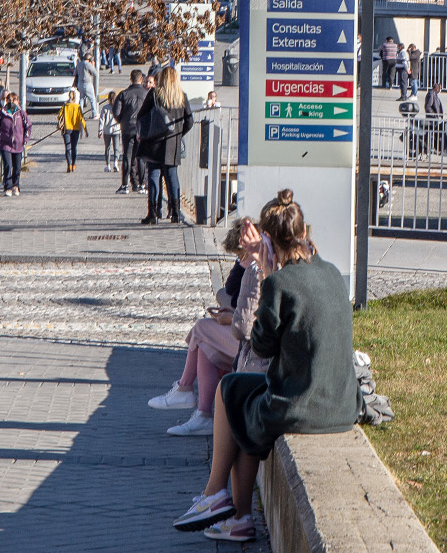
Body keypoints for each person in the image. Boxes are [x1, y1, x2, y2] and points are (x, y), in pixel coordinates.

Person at [171, 190, 355, 542]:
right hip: (342, 402)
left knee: (232, 393)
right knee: (242, 396)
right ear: (303, 234)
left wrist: (264, 271)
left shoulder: (280, 283)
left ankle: (217, 497)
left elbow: (259, 342)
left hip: (304, 404)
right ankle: (227, 509)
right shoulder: (330, 272)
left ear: (268, 240)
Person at [151, 216, 265, 436]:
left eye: (240, 254)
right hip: (252, 339)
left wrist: (231, 314)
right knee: (205, 347)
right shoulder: (254, 263)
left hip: (257, 349)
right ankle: (202, 415)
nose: (240, 258)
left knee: (202, 328)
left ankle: (185, 389)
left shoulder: (258, 266)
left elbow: (235, 299)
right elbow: (230, 296)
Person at [138, 67, 195, 225]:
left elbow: (141, 115)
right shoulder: (181, 97)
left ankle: (153, 213)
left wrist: (145, 133)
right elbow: (190, 122)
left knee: (154, 175)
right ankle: (176, 213)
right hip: (173, 143)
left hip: (154, 142)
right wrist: (178, 134)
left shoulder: (155, 94)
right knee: (172, 176)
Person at [114, 70, 150, 196]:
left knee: (127, 156)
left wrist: (122, 121)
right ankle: (142, 185)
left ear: (131, 79)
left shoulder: (123, 94)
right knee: (141, 157)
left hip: (127, 128)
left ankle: (124, 185)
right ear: (141, 79)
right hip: (142, 129)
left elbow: (116, 112)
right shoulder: (147, 94)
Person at [0, 96, 30, 195]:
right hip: (5, 144)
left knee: (17, 166)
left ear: (18, 101)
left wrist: (25, 139)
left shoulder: (21, 113)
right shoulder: (2, 113)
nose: (11, 102)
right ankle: (7, 187)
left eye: (14, 99)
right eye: (9, 99)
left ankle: (15, 186)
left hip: (18, 144)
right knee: (8, 165)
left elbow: (28, 126)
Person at [57, 92, 86, 172]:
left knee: (67, 147)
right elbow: (81, 119)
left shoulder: (65, 106)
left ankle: (68, 164)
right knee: (74, 147)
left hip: (66, 128)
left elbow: (59, 116)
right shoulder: (77, 107)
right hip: (75, 129)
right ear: (75, 98)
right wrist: (85, 130)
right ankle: (73, 164)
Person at [99, 90, 121, 172]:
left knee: (107, 148)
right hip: (116, 129)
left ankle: (108, 165)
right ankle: (116, 162)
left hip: (107, 131)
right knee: (116, 148)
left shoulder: (105, 108)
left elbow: (102, 120)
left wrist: (100, 130)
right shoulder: (118, 107)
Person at [75, 51, 99, 115]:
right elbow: (95, 73)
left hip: (80, 83)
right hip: (87, 83)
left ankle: (80, 114)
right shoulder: (88, 64)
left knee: (81, 99)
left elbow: (75, 73)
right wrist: (93, 65)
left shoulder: (79, 64)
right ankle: (94, 114)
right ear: (90, 59)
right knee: (92, 99)